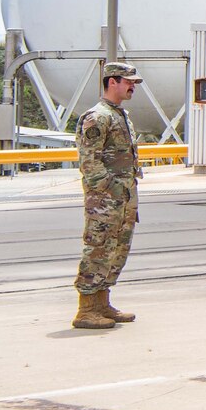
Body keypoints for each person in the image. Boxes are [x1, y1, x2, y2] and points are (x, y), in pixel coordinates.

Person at [71, 62, 144, 330]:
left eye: (134, 82)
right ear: (111, 81)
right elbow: (90, 163)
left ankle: (102, 302)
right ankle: (86, 309)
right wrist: (109, 190)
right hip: (105, 200)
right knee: (99, 248)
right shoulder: (97, 116)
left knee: (117, 249)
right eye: (128, 81)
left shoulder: (119, 114)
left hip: (123, 197)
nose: (132, 86)